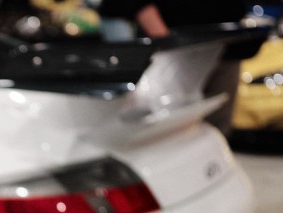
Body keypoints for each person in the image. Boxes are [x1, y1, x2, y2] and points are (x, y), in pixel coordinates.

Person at [94, 0, 249, 137]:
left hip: (222, 45)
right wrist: (166, 41)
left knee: (215, 128)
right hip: (168, 49)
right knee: (160, 125)